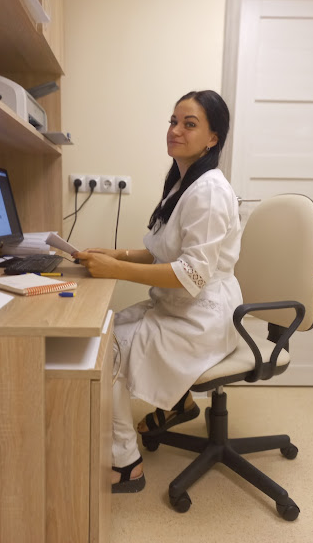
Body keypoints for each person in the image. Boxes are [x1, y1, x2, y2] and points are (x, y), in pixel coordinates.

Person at [74, 90, 242, 493]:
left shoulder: (209, 192)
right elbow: (163, 252)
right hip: (180, 309)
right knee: (104, 331)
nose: (176, 130)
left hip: (202, 319)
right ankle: (177, 401)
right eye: (173, 121)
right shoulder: (184, 184)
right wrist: (117, 254)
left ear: (213, 138)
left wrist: (117, 270)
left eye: (189, 124)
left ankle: (125, 464)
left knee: (107, 352)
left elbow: (192, 275)